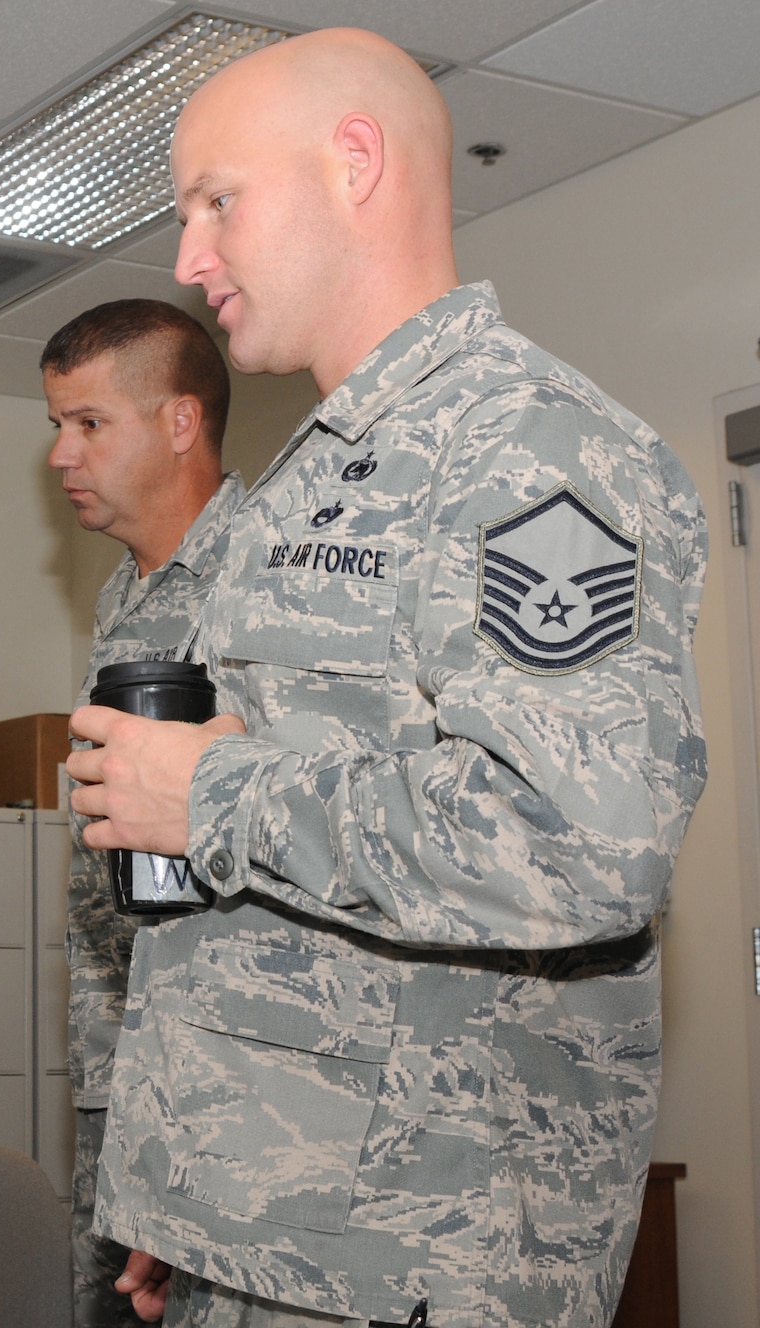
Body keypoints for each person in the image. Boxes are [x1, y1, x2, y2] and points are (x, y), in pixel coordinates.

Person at [69, 28, 706, 1328]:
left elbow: (581, 843)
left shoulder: (529, 450)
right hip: (272, 1224)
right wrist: (186, 1178)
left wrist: (214, 796)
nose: (190, 259)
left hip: (427, 1255)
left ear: (353, 164)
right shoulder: (321, 471)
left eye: (218, 203)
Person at [41, 298, 241, 1328]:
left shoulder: (263, 578)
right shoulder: (122, 591)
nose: (59, 454)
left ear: (177, 422)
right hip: (119, 1058)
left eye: (87, 423)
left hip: (218, 1079)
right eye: (54, 425)